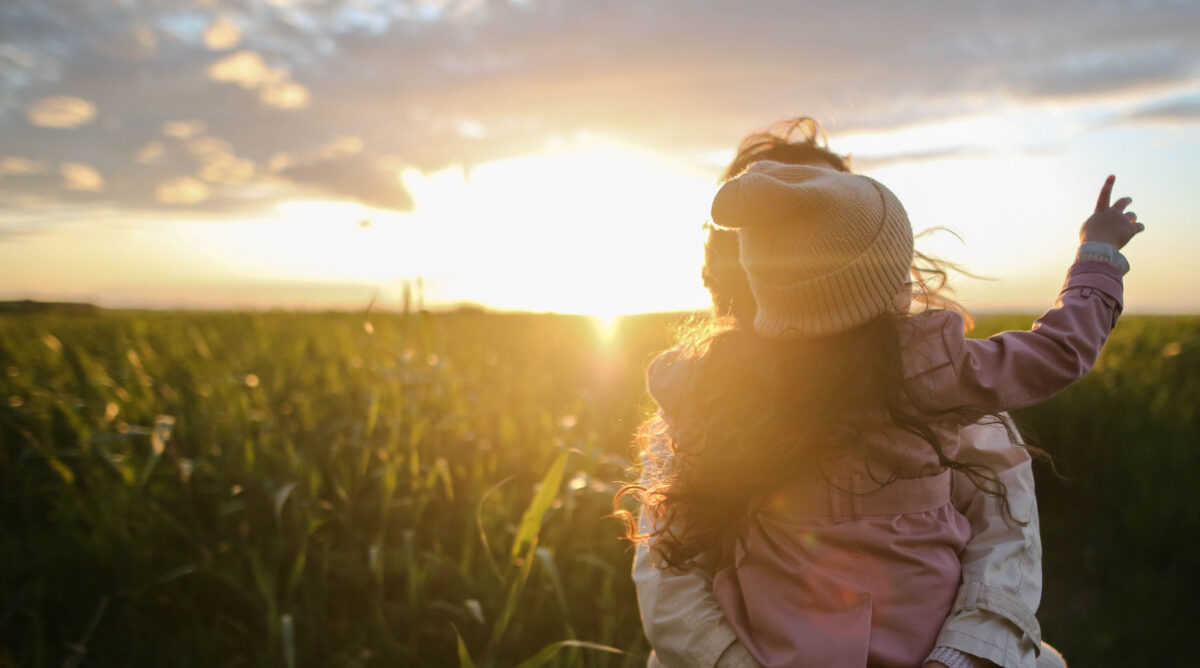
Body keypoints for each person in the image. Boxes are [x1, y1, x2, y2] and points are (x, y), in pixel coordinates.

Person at [622, 118, 1140, 667]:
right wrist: (1098, 257)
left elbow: (1003, 542)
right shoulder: (934, 369)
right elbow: (670, 582)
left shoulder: (711, 380)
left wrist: (956, 660)